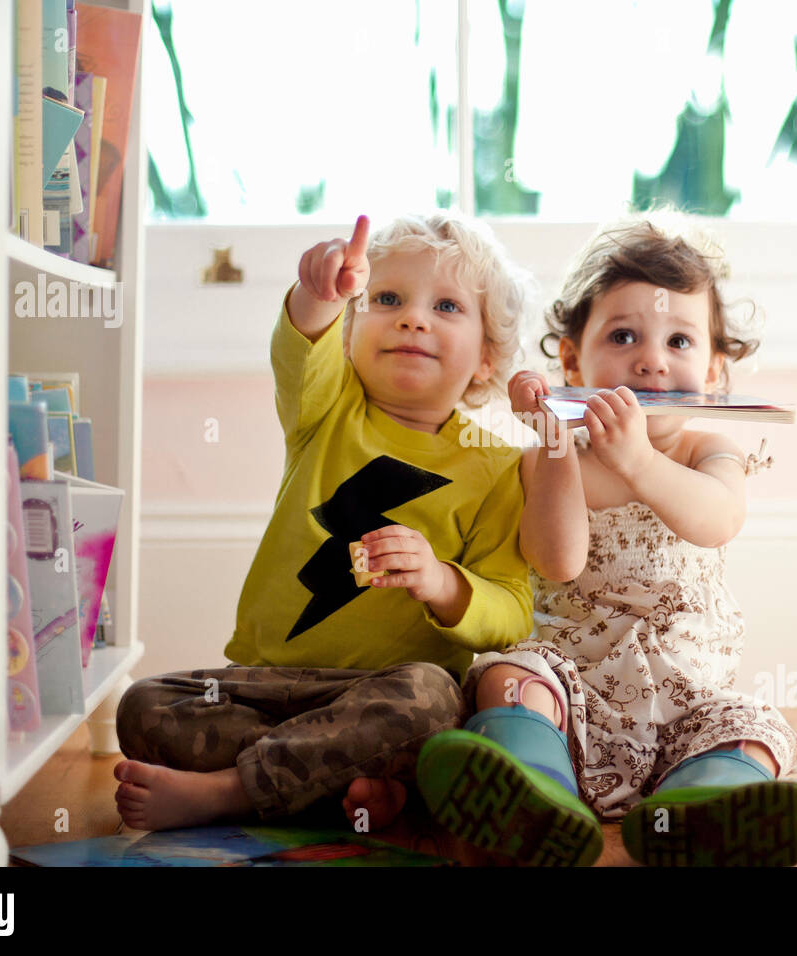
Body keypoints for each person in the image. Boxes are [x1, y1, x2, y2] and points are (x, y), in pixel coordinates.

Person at [416, 214, 797, 866]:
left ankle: (700, 808)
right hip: (574, 696)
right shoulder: (555, 458)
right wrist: (552, 440)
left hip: (688, 704)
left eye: (681, 341)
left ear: (716, 373)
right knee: (507, 677)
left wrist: (640, 464)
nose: (652, 358)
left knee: (751, 732)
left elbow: (716, 518)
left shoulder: (709, 452)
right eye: (624, 335)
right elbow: (559, 557)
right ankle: (535, 792)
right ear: (575, 361)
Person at [114, 213, 536, 834]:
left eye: (447, 306)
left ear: (487, 359)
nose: (412, 318)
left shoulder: (500, 470)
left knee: (434, 704)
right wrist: (319, 294)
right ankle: (350, 784)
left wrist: (441, 580)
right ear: (350, 332)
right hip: (262, 685)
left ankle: (229, 792)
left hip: (382, 693)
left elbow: (513, 610)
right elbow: (300, 345)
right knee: (142, 706)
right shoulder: (325, 410)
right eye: (387, 299)